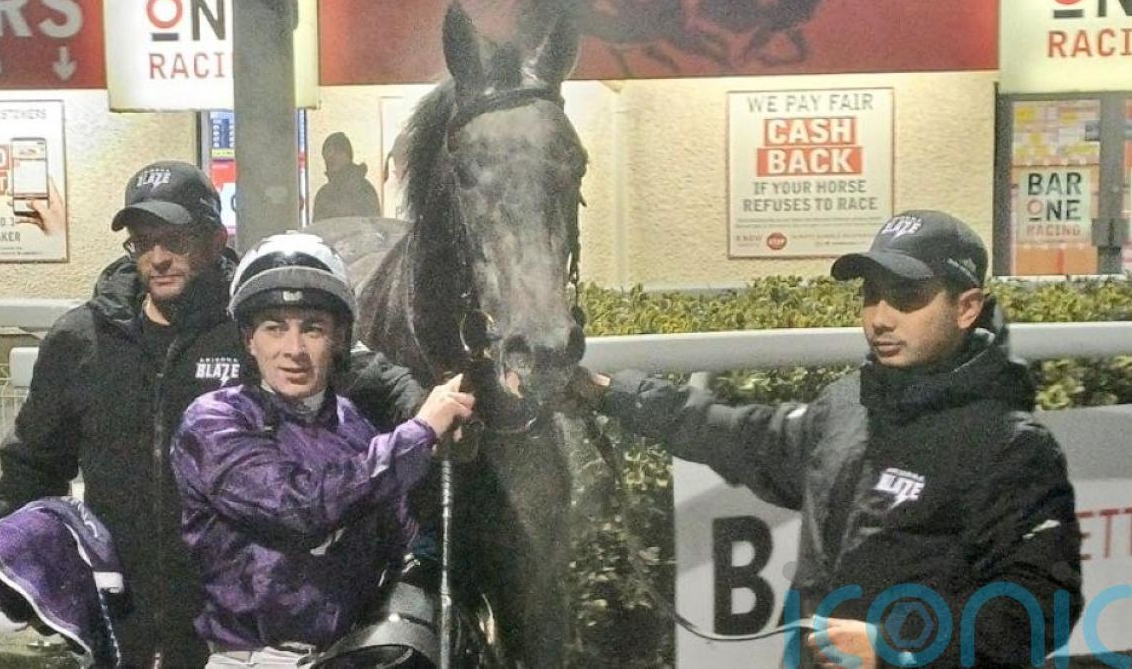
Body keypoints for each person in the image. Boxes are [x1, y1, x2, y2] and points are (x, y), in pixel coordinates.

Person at [568, 210, 1083, 668]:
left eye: (907, 298)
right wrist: (609, 393)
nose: (880, 317)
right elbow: (739, 435)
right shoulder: (845, 404)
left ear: (966, 308)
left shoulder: (1013, 448)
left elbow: (1041, 607)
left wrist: (899, 646)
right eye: (871, 295)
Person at [0, 161, 426, 667]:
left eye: (176, 240)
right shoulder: (81, 340)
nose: (158, 258)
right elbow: (33, 461)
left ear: (216, 239)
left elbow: (375, 378)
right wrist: (5, 556)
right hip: (122, 623)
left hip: (232, 635)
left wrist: (428, 412)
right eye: (143, 242)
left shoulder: (260, 325)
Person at [171, 233, 473, 667]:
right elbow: (299, 508)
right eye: (274, 327)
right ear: (249, 339)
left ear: (340, 338)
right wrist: (420, 432)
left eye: (313, 328)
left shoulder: (353, 424)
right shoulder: (215, 420)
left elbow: (401, 539)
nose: (294, 350)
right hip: (250, 660)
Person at [312, 132, 381, 220]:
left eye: (337, 151)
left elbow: (372, 225)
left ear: (348, 155)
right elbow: (319, 226)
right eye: (327, 153)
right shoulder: (323, 194)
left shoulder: (364, 190)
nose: (331, 157)